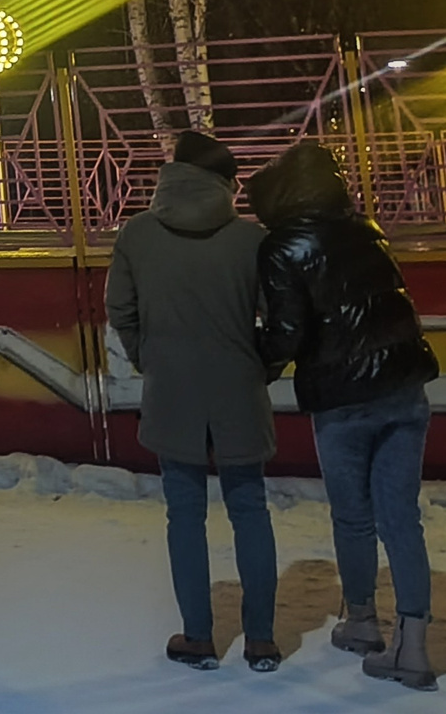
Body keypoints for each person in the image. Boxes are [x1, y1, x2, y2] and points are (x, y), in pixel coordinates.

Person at [251, 140, 442, 691]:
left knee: (353, 517)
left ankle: (361, 622)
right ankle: (413, 648)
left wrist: (256, 365)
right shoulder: (368, 230)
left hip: (341, 398)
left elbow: (287, 332)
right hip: (404, 389)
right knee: (401, 517)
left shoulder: (283, 246)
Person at [107, 131, 281, 673]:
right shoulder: (251, 241)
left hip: (171, 391)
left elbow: (120, 308)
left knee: (184, 514)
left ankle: (199, 637)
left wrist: (149, 358)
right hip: (239, 389)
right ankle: (261, 641)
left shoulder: (137, 234)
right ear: (225, 184)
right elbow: (278, 317)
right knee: (249, 509)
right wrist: (262, 367)